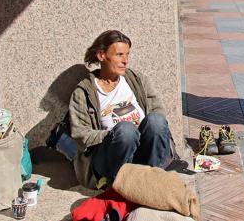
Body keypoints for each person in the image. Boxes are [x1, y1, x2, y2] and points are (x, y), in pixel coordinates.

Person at [69, 30, 184, 188]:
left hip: (145, 151)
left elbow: (157, 109)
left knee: (156, 120)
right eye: (119, 55)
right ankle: (120, 185)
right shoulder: (84, 92)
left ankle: (153, 180)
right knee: (126, 130)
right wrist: (114, 134)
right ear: (101, 56)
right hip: (111, 157)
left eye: (127, 55)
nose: (125, 61)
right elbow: (80, 134)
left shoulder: (136, 79)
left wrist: (140, 130)